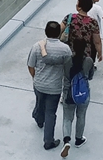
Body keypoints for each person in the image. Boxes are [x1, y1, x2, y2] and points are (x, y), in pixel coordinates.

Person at [27, 20, 72, 152]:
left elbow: (30, 65)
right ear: (59, 33)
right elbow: (68, 68)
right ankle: (48, 141)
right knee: (51, 113)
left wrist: (35, 77)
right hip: (55, 87)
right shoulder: (65, 49)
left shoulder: (37, 46)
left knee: (40, 103)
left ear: (46, 32)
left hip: (39, 84)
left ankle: (38, 118)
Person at [59, 25, 94, 156]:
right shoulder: (89, 61)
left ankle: (66, 140)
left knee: (67, 118)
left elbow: (64, 75)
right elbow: (90, 76)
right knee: (81, 115)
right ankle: (79, 139)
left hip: (69, 92)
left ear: (72, 47)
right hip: (83, 93)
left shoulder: (67, 60)